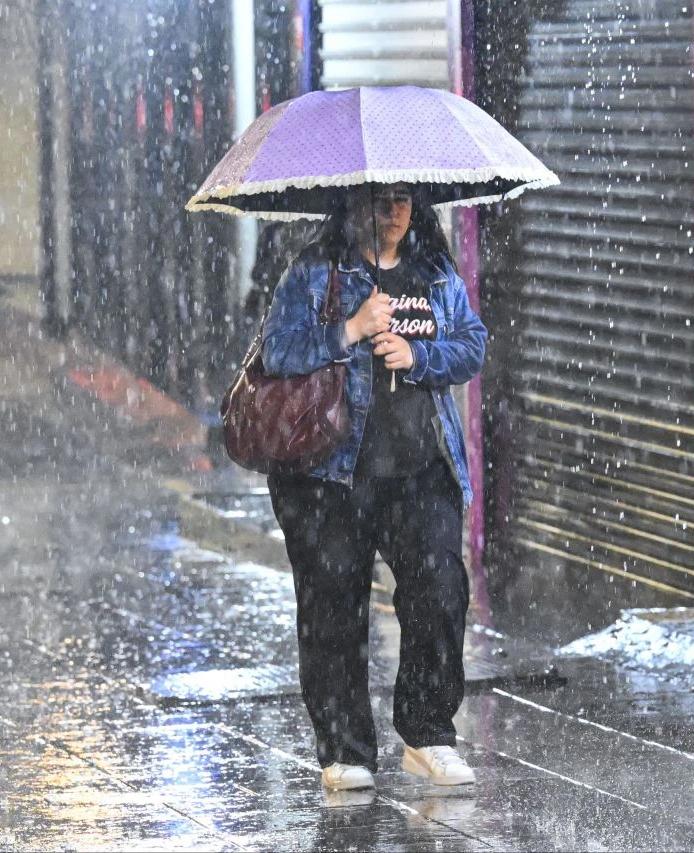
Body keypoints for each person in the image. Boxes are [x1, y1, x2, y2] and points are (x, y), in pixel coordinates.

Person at [261, 182, 486, 792]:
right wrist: (351, 330)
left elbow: (471, 346)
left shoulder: (434, 272)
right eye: (380, 201)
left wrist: (419, 357)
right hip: (333, 474)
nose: (392, 213)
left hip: (420, 468)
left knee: (440, 591)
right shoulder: (314, 272)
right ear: (353, 206)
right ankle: (345, 750)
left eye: (403, 201)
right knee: (333, 608)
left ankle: (428, 733)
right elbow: (276, 353)